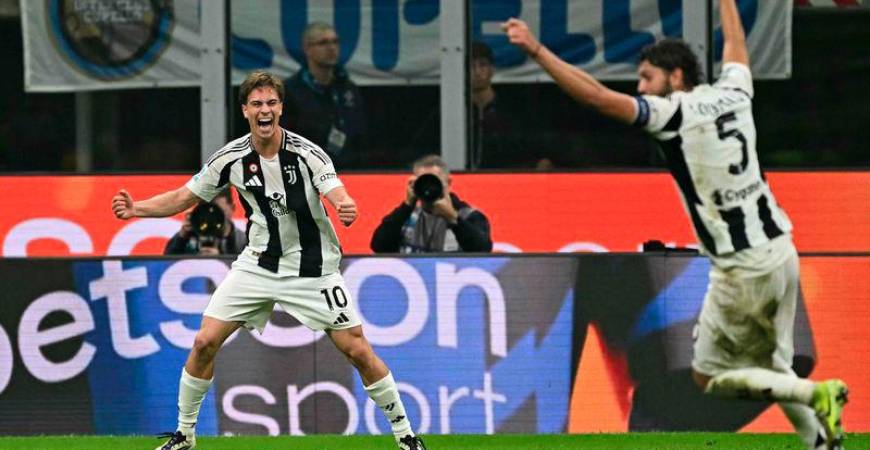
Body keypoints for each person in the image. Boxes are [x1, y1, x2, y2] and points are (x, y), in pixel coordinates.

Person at [503, 1, 847, 449]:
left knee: (708, 376)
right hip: (781, 249)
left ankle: (812, 393)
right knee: (775, 364)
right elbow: (737, 48)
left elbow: (595, 96)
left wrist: (536, 50)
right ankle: (822, 443)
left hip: (739, 267)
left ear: (677, 77)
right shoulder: (736, 92)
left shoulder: (673, 114)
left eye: (648, 77)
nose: (642, 87)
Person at [112, 71, 427, 450]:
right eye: (257, 104)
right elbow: (184, 197)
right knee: (204, 343)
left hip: (314, 269)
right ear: (246, 111)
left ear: (281, 109)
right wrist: (136, 210)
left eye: (272, 103)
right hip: (258, 265)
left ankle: (406, 436)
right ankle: (185, 435)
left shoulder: (307, 153)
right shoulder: (230, 159)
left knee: (358, 350)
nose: (265, 110)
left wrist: (343, 203)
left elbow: (334, 189)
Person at [280, 22, 366, 169]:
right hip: (306, 172)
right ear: (307, 49)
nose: (331, 48)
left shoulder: (347, 89)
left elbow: (360, 133)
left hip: (349, 171)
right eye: (323, 43)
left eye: (335, 42)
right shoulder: (291, 91)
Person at [370, 154, 492, 253]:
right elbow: (379, 246)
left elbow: (483, 250)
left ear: (448, 183)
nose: (429, 188)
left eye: (434, 182)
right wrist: (406, 206)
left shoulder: (470, 216)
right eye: (423, 182)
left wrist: (453, 219)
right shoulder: (406, 218)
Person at [469, 41, 539, 169]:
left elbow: (531, 148)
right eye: (471, 66)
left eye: (482, 65)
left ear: (492, 70)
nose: (477, 72)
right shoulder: (453, 112)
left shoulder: (513, 110)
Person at [163, 189, 247, 255]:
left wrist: (221, 260)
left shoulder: (242, 241)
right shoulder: (188, 235)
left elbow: (247, 273)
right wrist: (181, 238)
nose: (212, 216)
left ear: (232, 208)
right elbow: (166, 267)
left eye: (218, 211)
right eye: (208, 209)